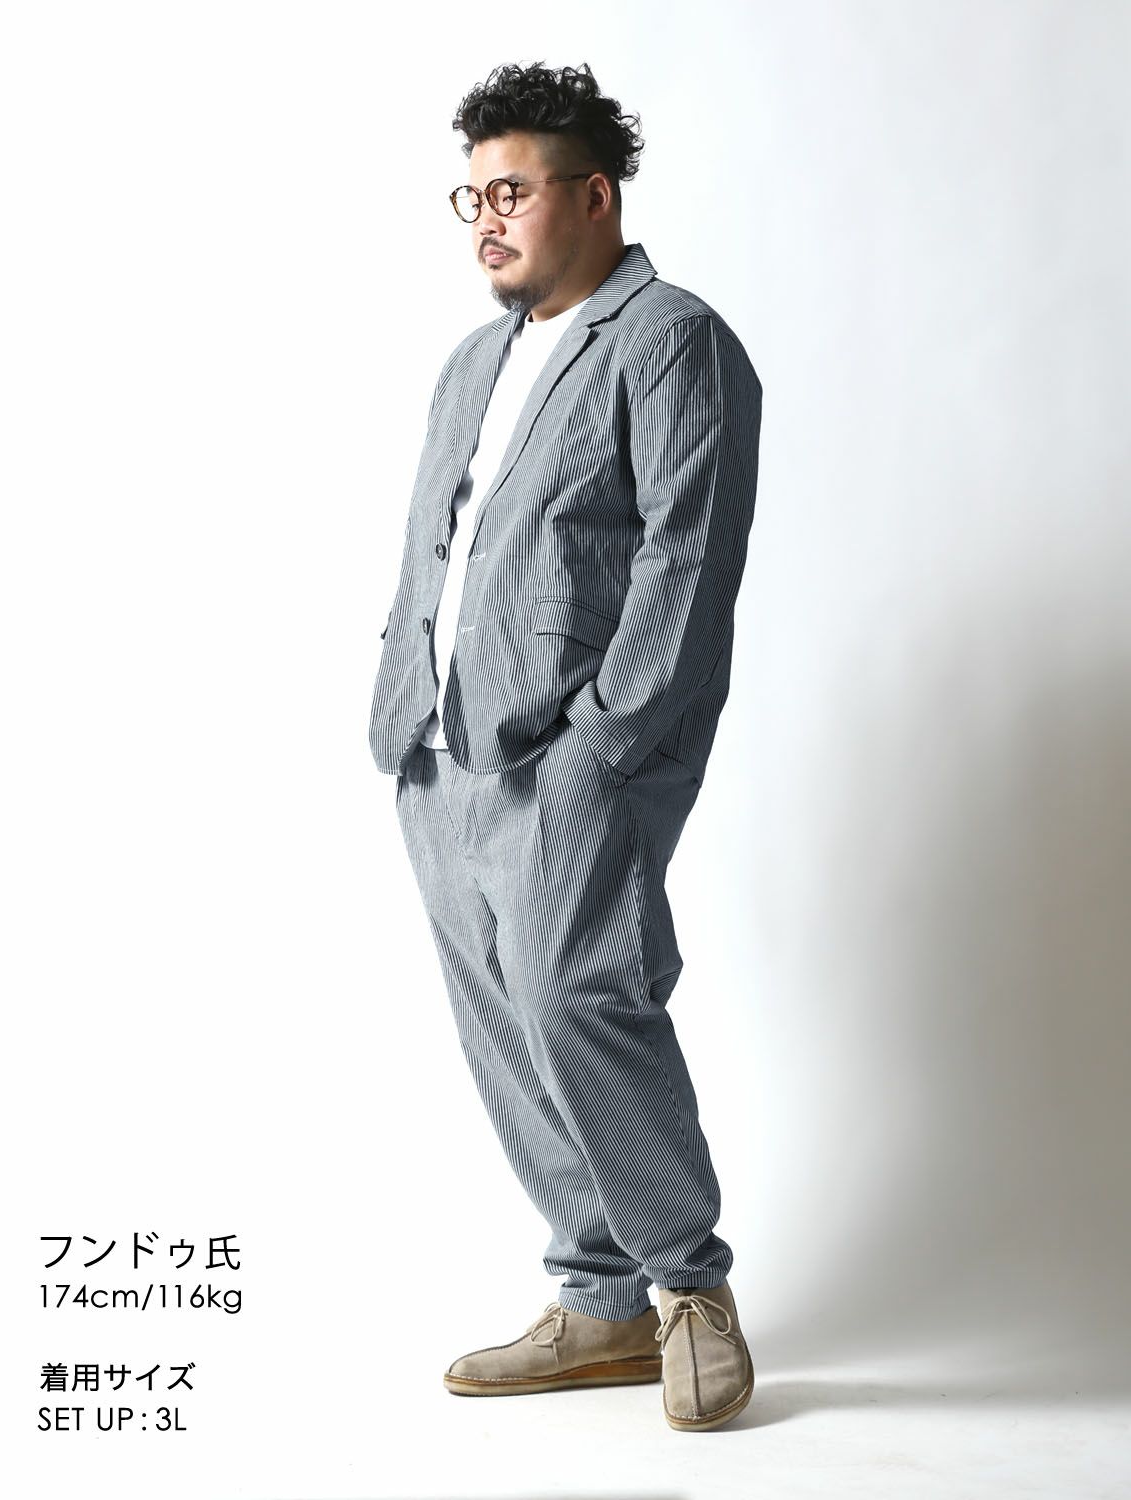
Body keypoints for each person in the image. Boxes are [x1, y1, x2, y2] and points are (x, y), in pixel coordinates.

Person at [368, 60, 762, 1433]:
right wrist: (399, 695)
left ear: (594, 197)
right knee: (499, 1017)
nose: (487, 219)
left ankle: (688, 1287)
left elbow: (688, 559)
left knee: (579, 995)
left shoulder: (671, 339)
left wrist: (608, 740)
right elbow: (448, 542)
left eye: (514, 192)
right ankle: (600, 1301)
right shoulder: (475, 360)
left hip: (573, 749)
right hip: (440, 745)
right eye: (472, 196)